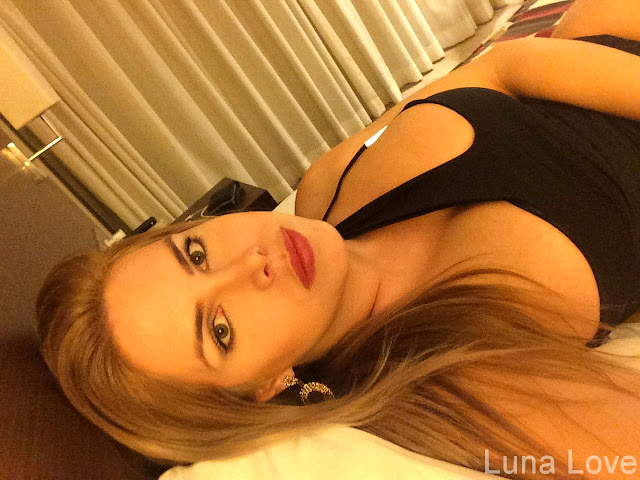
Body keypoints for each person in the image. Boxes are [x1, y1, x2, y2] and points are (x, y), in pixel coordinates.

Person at [37, 0, 640, 477]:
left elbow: (498, 68)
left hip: (598, 38)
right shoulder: (458, 373)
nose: (252, 263)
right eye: (220, 330)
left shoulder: (325, 185)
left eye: (196, 253)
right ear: (263, 389)